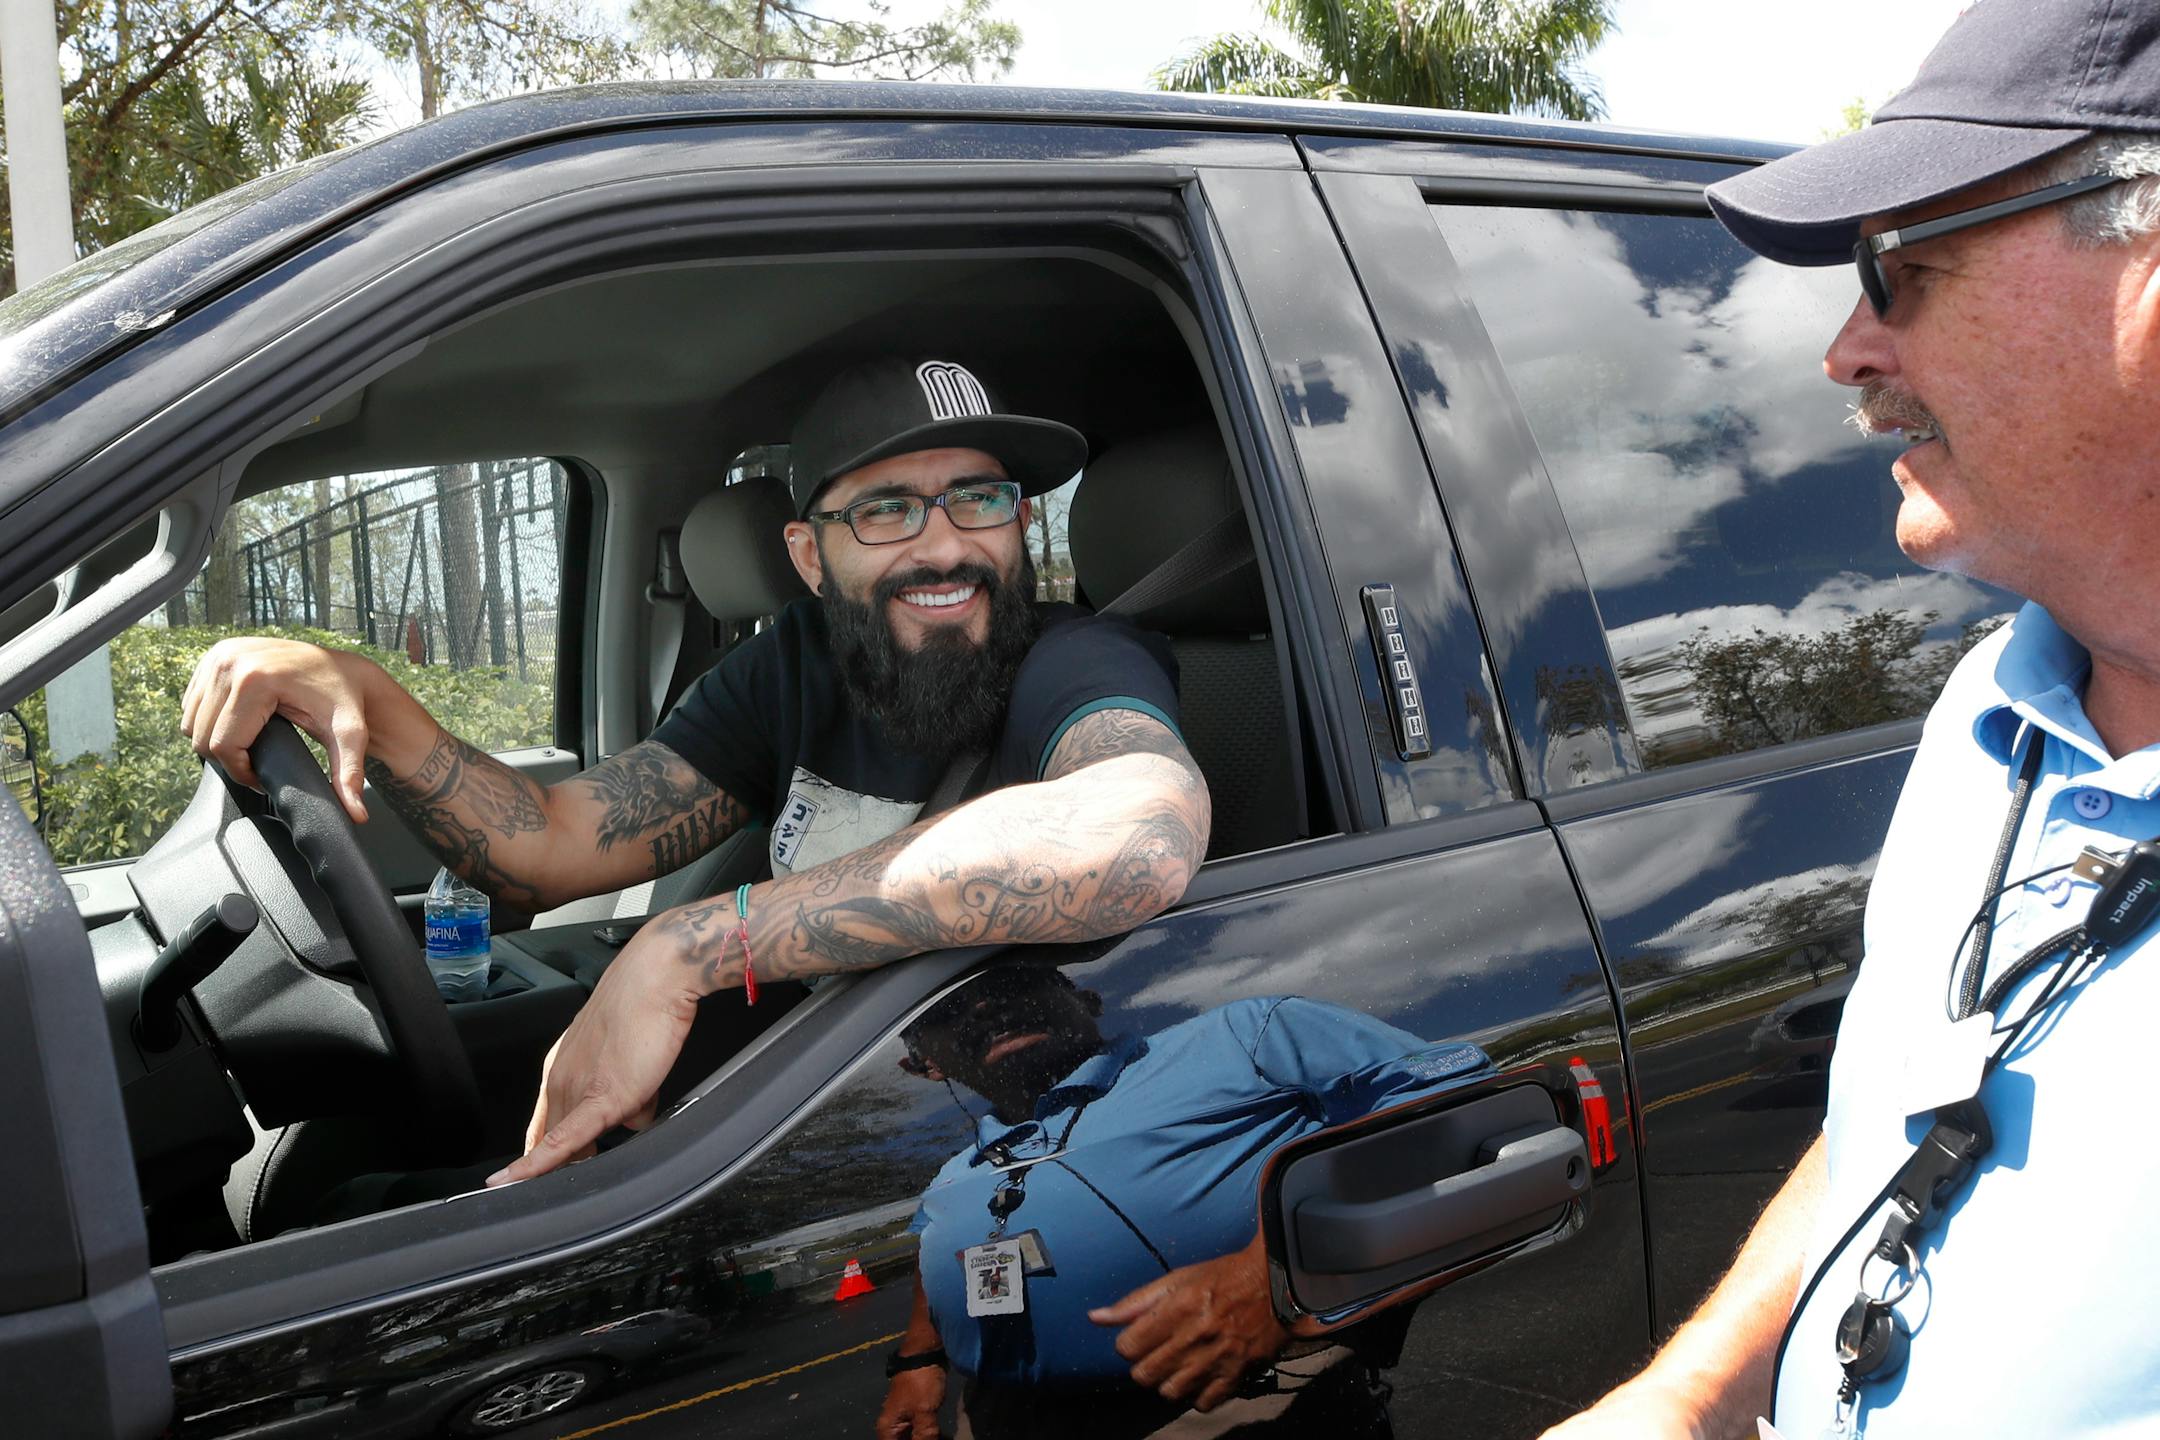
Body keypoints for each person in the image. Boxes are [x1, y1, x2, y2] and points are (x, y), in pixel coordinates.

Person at [1543, 3, 2160, 1436]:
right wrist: (1690, 1396)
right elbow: (1898, 1116)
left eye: (1903, 270)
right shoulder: (1994, 717)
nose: (1844, 350)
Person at [181, 358, 1213, 1186]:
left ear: (1019, 521)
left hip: (989, 1149)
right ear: (811, 557)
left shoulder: (1078, 658)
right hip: (787, 1102)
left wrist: (689, 944)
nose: (945, 547)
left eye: (977, 500)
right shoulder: (796, 668)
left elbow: (1135, 835)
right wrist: (360, 691)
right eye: (888, 509)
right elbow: (550, 844)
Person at [875, 962, 1490, 1440]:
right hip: (995, 1420)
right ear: (923, 1064)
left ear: (1087, 1000)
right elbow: (942, 1254)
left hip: (1226, 1408)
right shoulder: (955, 1171)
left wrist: (1275, 1277)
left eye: (1014, 981)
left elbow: (1468, 1105)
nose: (985, 1006)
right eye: (952, 1008)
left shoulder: (1242, 1037)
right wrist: (918, 1361)